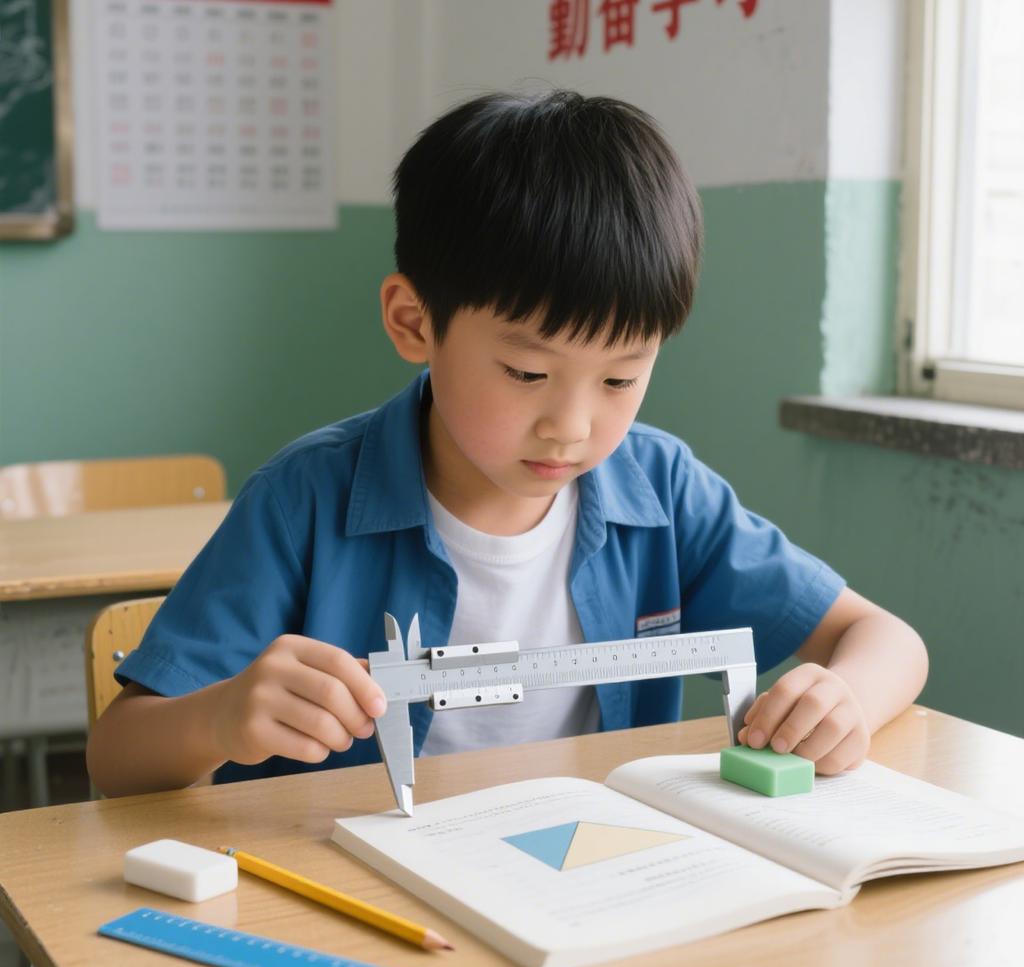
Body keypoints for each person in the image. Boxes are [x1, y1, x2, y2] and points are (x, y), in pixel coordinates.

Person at [86, 90, 928, 799]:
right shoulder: (303, 500)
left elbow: (887, 639)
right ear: (413, 323)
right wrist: (220, 718)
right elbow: (116, 759)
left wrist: (843, 699)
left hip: (590, 881)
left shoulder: (660, 489)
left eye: (620, 378)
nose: (573, 425)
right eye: (528, 373)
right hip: (356, 891)